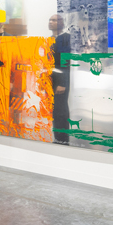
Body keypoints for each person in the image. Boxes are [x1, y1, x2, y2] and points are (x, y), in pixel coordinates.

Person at [49, 14, 71, 144]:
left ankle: (63, 139)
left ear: (62, 23)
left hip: (61, 79)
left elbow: (65, 61)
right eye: (50, 20)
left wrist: (62, 83)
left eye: (55, 20)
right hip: (51, 78)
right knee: (54, 108)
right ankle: (57, 137)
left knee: (61, 108)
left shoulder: (65, 38)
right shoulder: (50, 39)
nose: (51, 22)